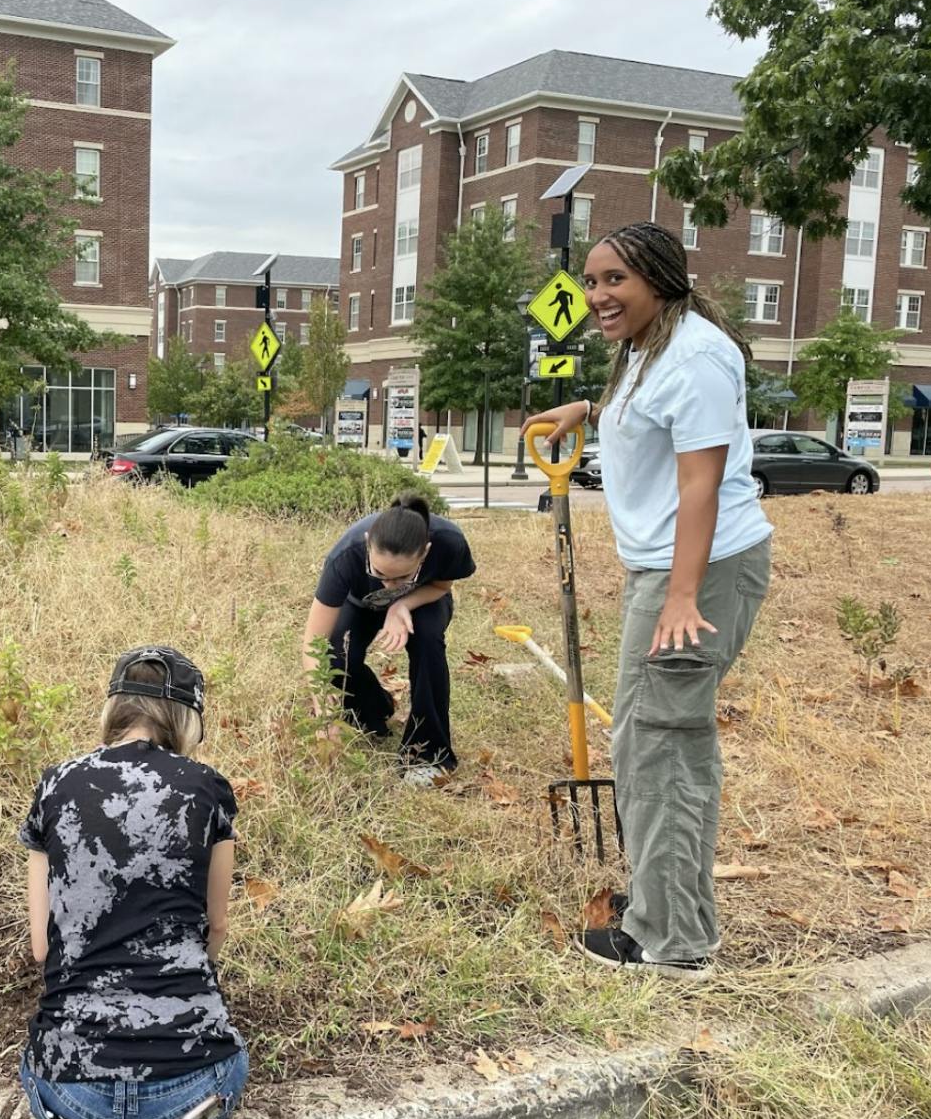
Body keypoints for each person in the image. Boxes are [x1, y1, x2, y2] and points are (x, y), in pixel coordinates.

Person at [524, 221, 773, 981]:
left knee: (662, 747)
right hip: (668, 572)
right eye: (593, 281)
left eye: (614, 282)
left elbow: (700, 482)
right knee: (651, 743)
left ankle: (671, 942)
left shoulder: (695, 354)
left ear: (658, 281)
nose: (599, 295)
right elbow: (657, 423)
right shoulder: (649, 348)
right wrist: (586, 413)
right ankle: (670, 918)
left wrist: (682, 594)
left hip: (694, 575)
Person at [18, 647, 248, 1119]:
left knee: (70, 1096)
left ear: (114, 708)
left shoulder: (56, 784)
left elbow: (41, 948)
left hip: (69, 1088)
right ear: (188, 718)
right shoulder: (207, 789)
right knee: (199, 1092)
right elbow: (216, 927)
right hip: (194, 1088)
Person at [302, 492, 476, 785]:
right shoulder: (345, 555)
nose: (388, 584)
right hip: (360, 603)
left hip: (422, 602)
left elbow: (442, 586)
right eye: (379, 572)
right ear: (368, 542)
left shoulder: (449, 541)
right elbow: (313, 639)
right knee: (336, 654)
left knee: (428, 641)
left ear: (426, 552)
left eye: (402, 577)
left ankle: (427, 754)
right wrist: (323, 704)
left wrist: (402, 603)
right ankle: (373, 709)